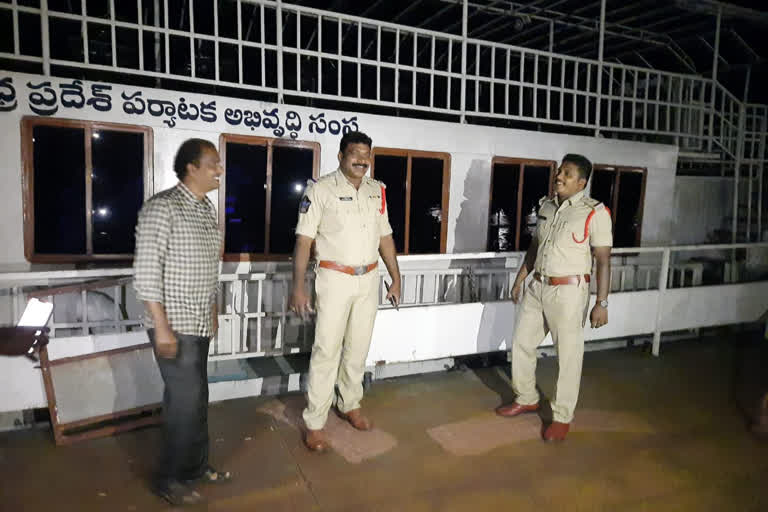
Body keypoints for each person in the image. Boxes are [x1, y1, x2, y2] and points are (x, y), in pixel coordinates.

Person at [289, 131, 402, 452]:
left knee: (358, 348)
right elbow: (304, 241)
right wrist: (298, 287)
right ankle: (314, 421)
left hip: (368, 279)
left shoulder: (376, 191)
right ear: (341, 156)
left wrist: (396, 276)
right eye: (355, 153)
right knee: (327, 351)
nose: (362, 160)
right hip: (334, 279)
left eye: (367, 154)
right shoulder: (320, 190)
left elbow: (385, 237)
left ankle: (349, 403)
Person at [133, 138, 229, 506]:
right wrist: (161, 326)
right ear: (192, 167)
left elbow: (209, 267)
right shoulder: (162, 209)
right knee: (183, 405)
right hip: (173, 324)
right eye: (213, 164)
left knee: (198, 399)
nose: (219, 171)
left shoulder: (205, 209)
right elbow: (145, 273)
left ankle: (196, 467)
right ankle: (167, 478)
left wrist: (213, 308)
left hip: (198, 322)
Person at [495, 154, 612, 442]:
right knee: (522, 342)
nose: (558, 177)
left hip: (569, 292)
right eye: (560, 171)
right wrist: (521, 278)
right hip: (537, 286)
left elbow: (604, 261)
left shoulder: (594, 212)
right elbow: (535, 247)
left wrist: (602, 302)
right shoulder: (547, 205)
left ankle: (562, 416)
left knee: (568, 356)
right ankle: (526, 397)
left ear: (581, 182)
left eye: (567, 174)